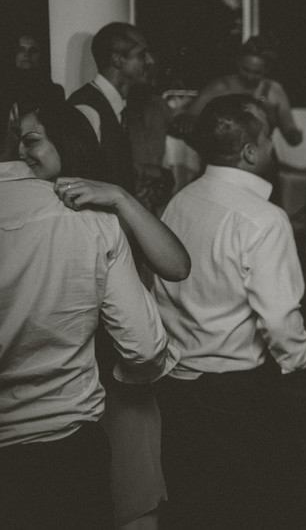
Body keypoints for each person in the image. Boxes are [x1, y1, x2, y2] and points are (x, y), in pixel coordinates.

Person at [0, 92, 178, 530]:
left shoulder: (99, 209)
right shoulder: (93, 225)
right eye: (19, 140)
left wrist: (119, 198)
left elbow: (176, 265)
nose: (24, 151)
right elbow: (144, 348)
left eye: (34, 140)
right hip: (68, 431)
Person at [153, 93, 306, 528]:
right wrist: (301, 358)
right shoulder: (264, 220)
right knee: (242, 503)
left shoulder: (179, 202)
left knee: (190, 497)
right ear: (250, 151)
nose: (273, 146)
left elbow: (162, 291)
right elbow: (279, 319)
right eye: (269, 138)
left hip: (175, 382)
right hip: (234, 392)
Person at [70, 22, 155, 193]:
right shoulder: (86, 110)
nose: (150, 61)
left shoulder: (120, 107)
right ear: (117, 59)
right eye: (142, 54)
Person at [188, 34, 303, 147]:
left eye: (257, 72)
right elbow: (190, 118)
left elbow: (288, 127)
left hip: (262, 156)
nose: (250, 77)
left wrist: (294, 135)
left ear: (267, 69)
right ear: (238, 62)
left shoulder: (273, 89)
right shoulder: (220, 86)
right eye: (246, 69)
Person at [6, 32, 64, 107]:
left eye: (33, 50)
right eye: (21, 50)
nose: (27, 54)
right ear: (14, 55)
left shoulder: (53, 91)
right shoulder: (4, 88)